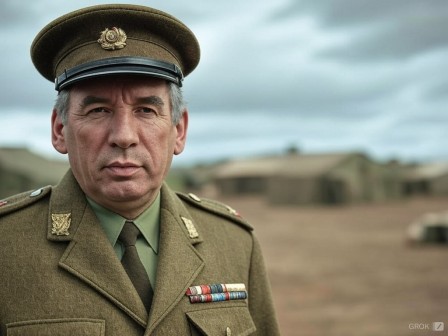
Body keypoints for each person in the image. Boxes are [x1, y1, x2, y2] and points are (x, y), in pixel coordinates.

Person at [0, 4, 280, 336]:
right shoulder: (7, 245)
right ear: (60, 130)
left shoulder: (234, 243)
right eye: (99, 110)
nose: (123, 136)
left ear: (179, 130)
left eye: (146, 110)